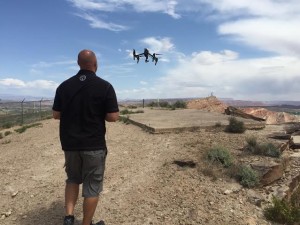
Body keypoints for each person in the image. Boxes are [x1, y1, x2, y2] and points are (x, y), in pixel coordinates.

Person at [52, 49, 119, 225]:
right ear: (95, 64)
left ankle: (69, 218)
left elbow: (55, 114)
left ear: (78, 64)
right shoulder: (105, 86)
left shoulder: (64, 86)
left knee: (72, 179)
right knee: (92, 187)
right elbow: (113, 117)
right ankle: (86, 223)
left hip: (70, 144)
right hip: (94, 145)